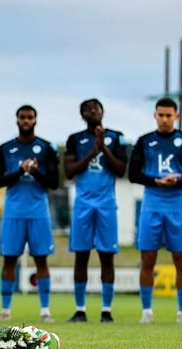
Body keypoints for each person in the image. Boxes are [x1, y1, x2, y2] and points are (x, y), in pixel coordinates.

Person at [128, 97, 182, 325]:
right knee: (148, 258)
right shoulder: (144, 141)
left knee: (181, 258)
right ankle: (147, 311)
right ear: (155, 115)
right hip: (152, 203)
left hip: (177, 204)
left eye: (169, 115)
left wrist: (176, 182)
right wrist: (156, 181)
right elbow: (133, 174)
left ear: (176, 116)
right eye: (161, 115)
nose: (165, 119)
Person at [0, 105, 59, 322]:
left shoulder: (47, 148)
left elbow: (54, 182)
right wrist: (20, 170)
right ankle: (5, 310)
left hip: (39, 212)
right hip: (13, 212)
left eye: (30, 117)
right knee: (10, 260)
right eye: (23, 117)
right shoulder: (5, 148)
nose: (26, 120)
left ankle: (45, 310)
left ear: (35, 120)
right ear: (17, 120)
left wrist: (35, 171)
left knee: (41, 260)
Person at [63, 99, 128, 323]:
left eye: (96, 108)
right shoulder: (74, 139)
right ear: (83, 115)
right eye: (88, 110)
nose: (93, 112)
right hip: (83, 204)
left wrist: (104, 148)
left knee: (106, 257)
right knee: (81, 256)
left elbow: (120, 170)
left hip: (106, 204)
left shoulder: (117, 137)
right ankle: (80, 310)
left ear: (103, 112)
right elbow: (69, 171)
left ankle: (106, 311)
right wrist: (92, 152)